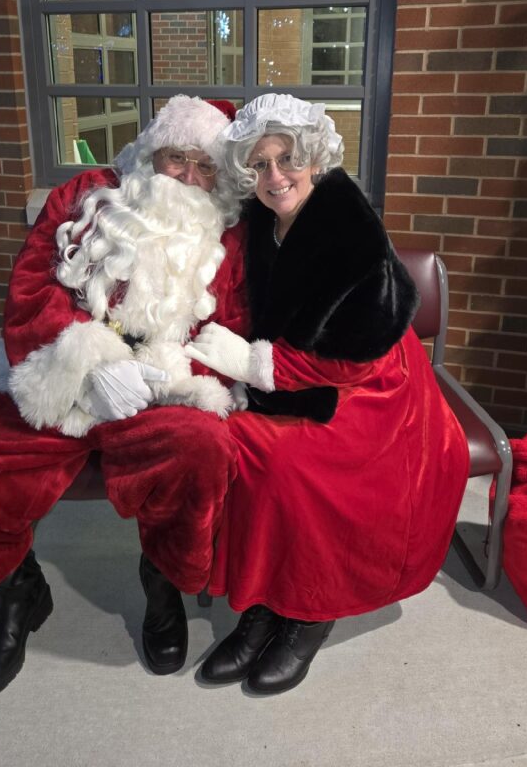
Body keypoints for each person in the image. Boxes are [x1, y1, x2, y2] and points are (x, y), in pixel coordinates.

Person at [0, 96, 249, 697]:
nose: (188, 179)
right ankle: (20, 593)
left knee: (201, 450)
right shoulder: (88, 196)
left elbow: (234, 325)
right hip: (61, 371)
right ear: (152, 153)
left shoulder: (230, 232)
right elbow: (31, 287)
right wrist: (86, 363)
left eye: (204, 168)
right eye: (176, 159)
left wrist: (168, 371)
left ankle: (163, 582)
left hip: (161, 388)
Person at [185, 93, 470, 695]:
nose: (274, 176)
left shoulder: (348, 225)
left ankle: (310, 611)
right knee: (236, 446)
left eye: (287, 159)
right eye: (259, 165)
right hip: (297, 379)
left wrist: (252, 364)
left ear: (314, 158)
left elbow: (354, 355)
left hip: (374, 389)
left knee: (292, 464)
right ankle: (262, 602)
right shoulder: (261, 221)